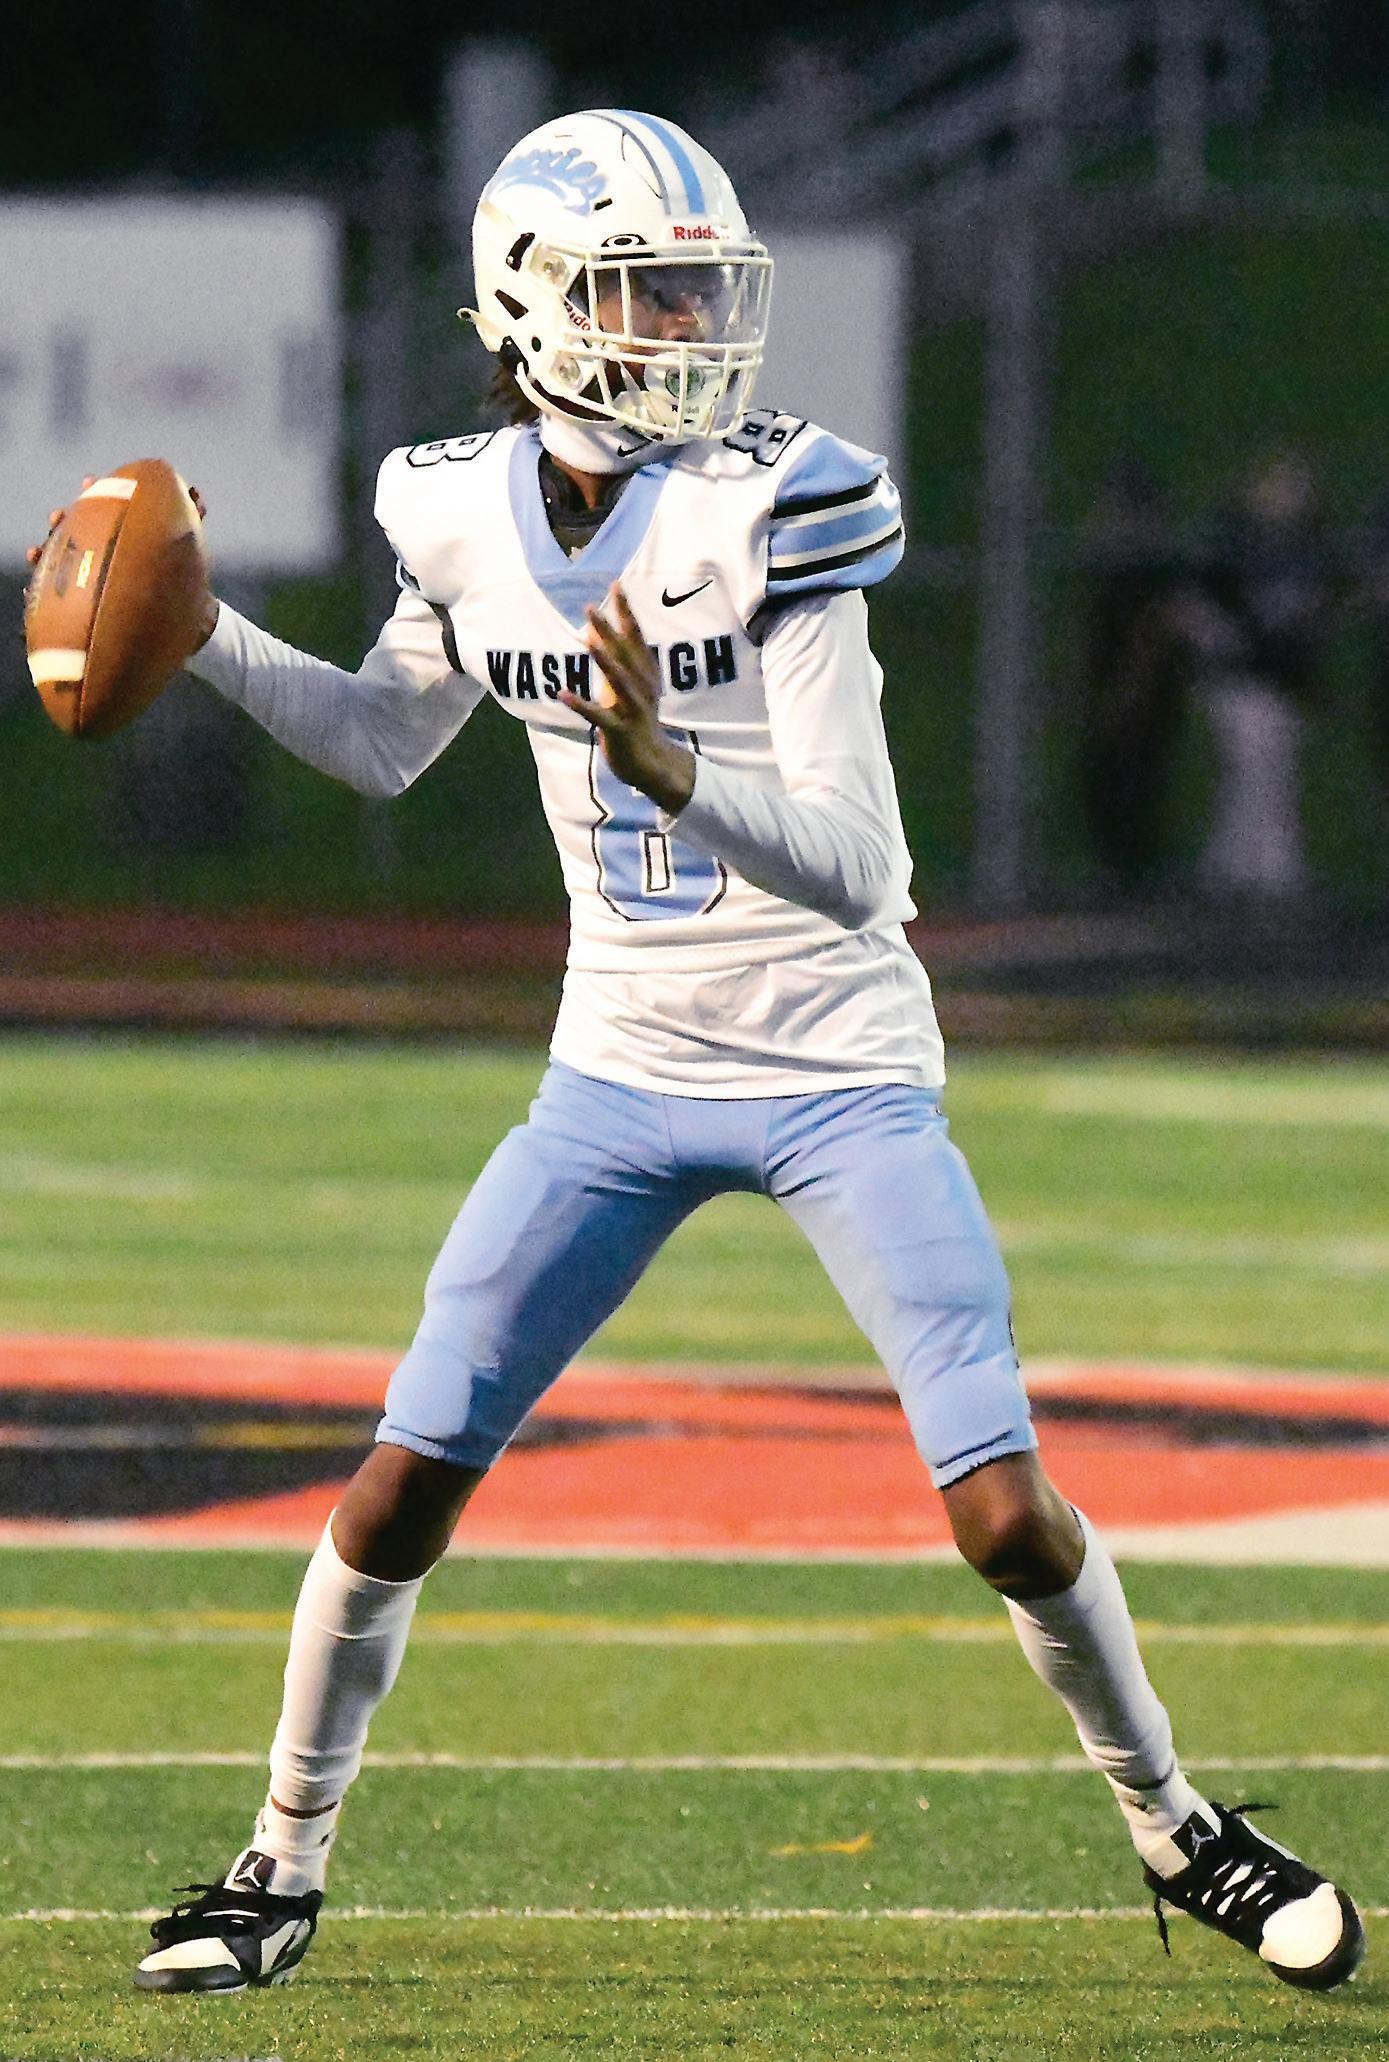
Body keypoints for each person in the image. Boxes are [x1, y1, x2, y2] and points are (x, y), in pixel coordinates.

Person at [30, 109, 1360, 1997]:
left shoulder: (775, 504)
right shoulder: (450, 506)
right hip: (616, 1074)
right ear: (530, 308)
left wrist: (673, 774)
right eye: (643, 291)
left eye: (692, 290)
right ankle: (276, 1867)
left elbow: (861, 869)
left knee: (999, 1508)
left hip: (834, 1069)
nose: (683, 327)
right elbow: (384, 744)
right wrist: (207, 636)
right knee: (398, 1482)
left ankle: (1177, 1824)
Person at [1184, 451, 1335, 899]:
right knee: (1256, 766)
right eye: (1280, 488)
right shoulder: (1230, 543)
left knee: (1266, 771)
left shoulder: (1306, 552)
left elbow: (1309, 621)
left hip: (1278, 682)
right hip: (1237, 678)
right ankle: (1270, 871)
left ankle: (1233, 867)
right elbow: (1200, 610)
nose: (1287, 499)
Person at [1077, 462, 1188, 896]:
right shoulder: (1112, 574)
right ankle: (1118, 872)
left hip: (1141, 694)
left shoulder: (1150, 573)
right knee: (1105, 779)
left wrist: (1128, 691)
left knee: (1135, 776)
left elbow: (1151, 635)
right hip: (1112, 685)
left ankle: (1135, 875)